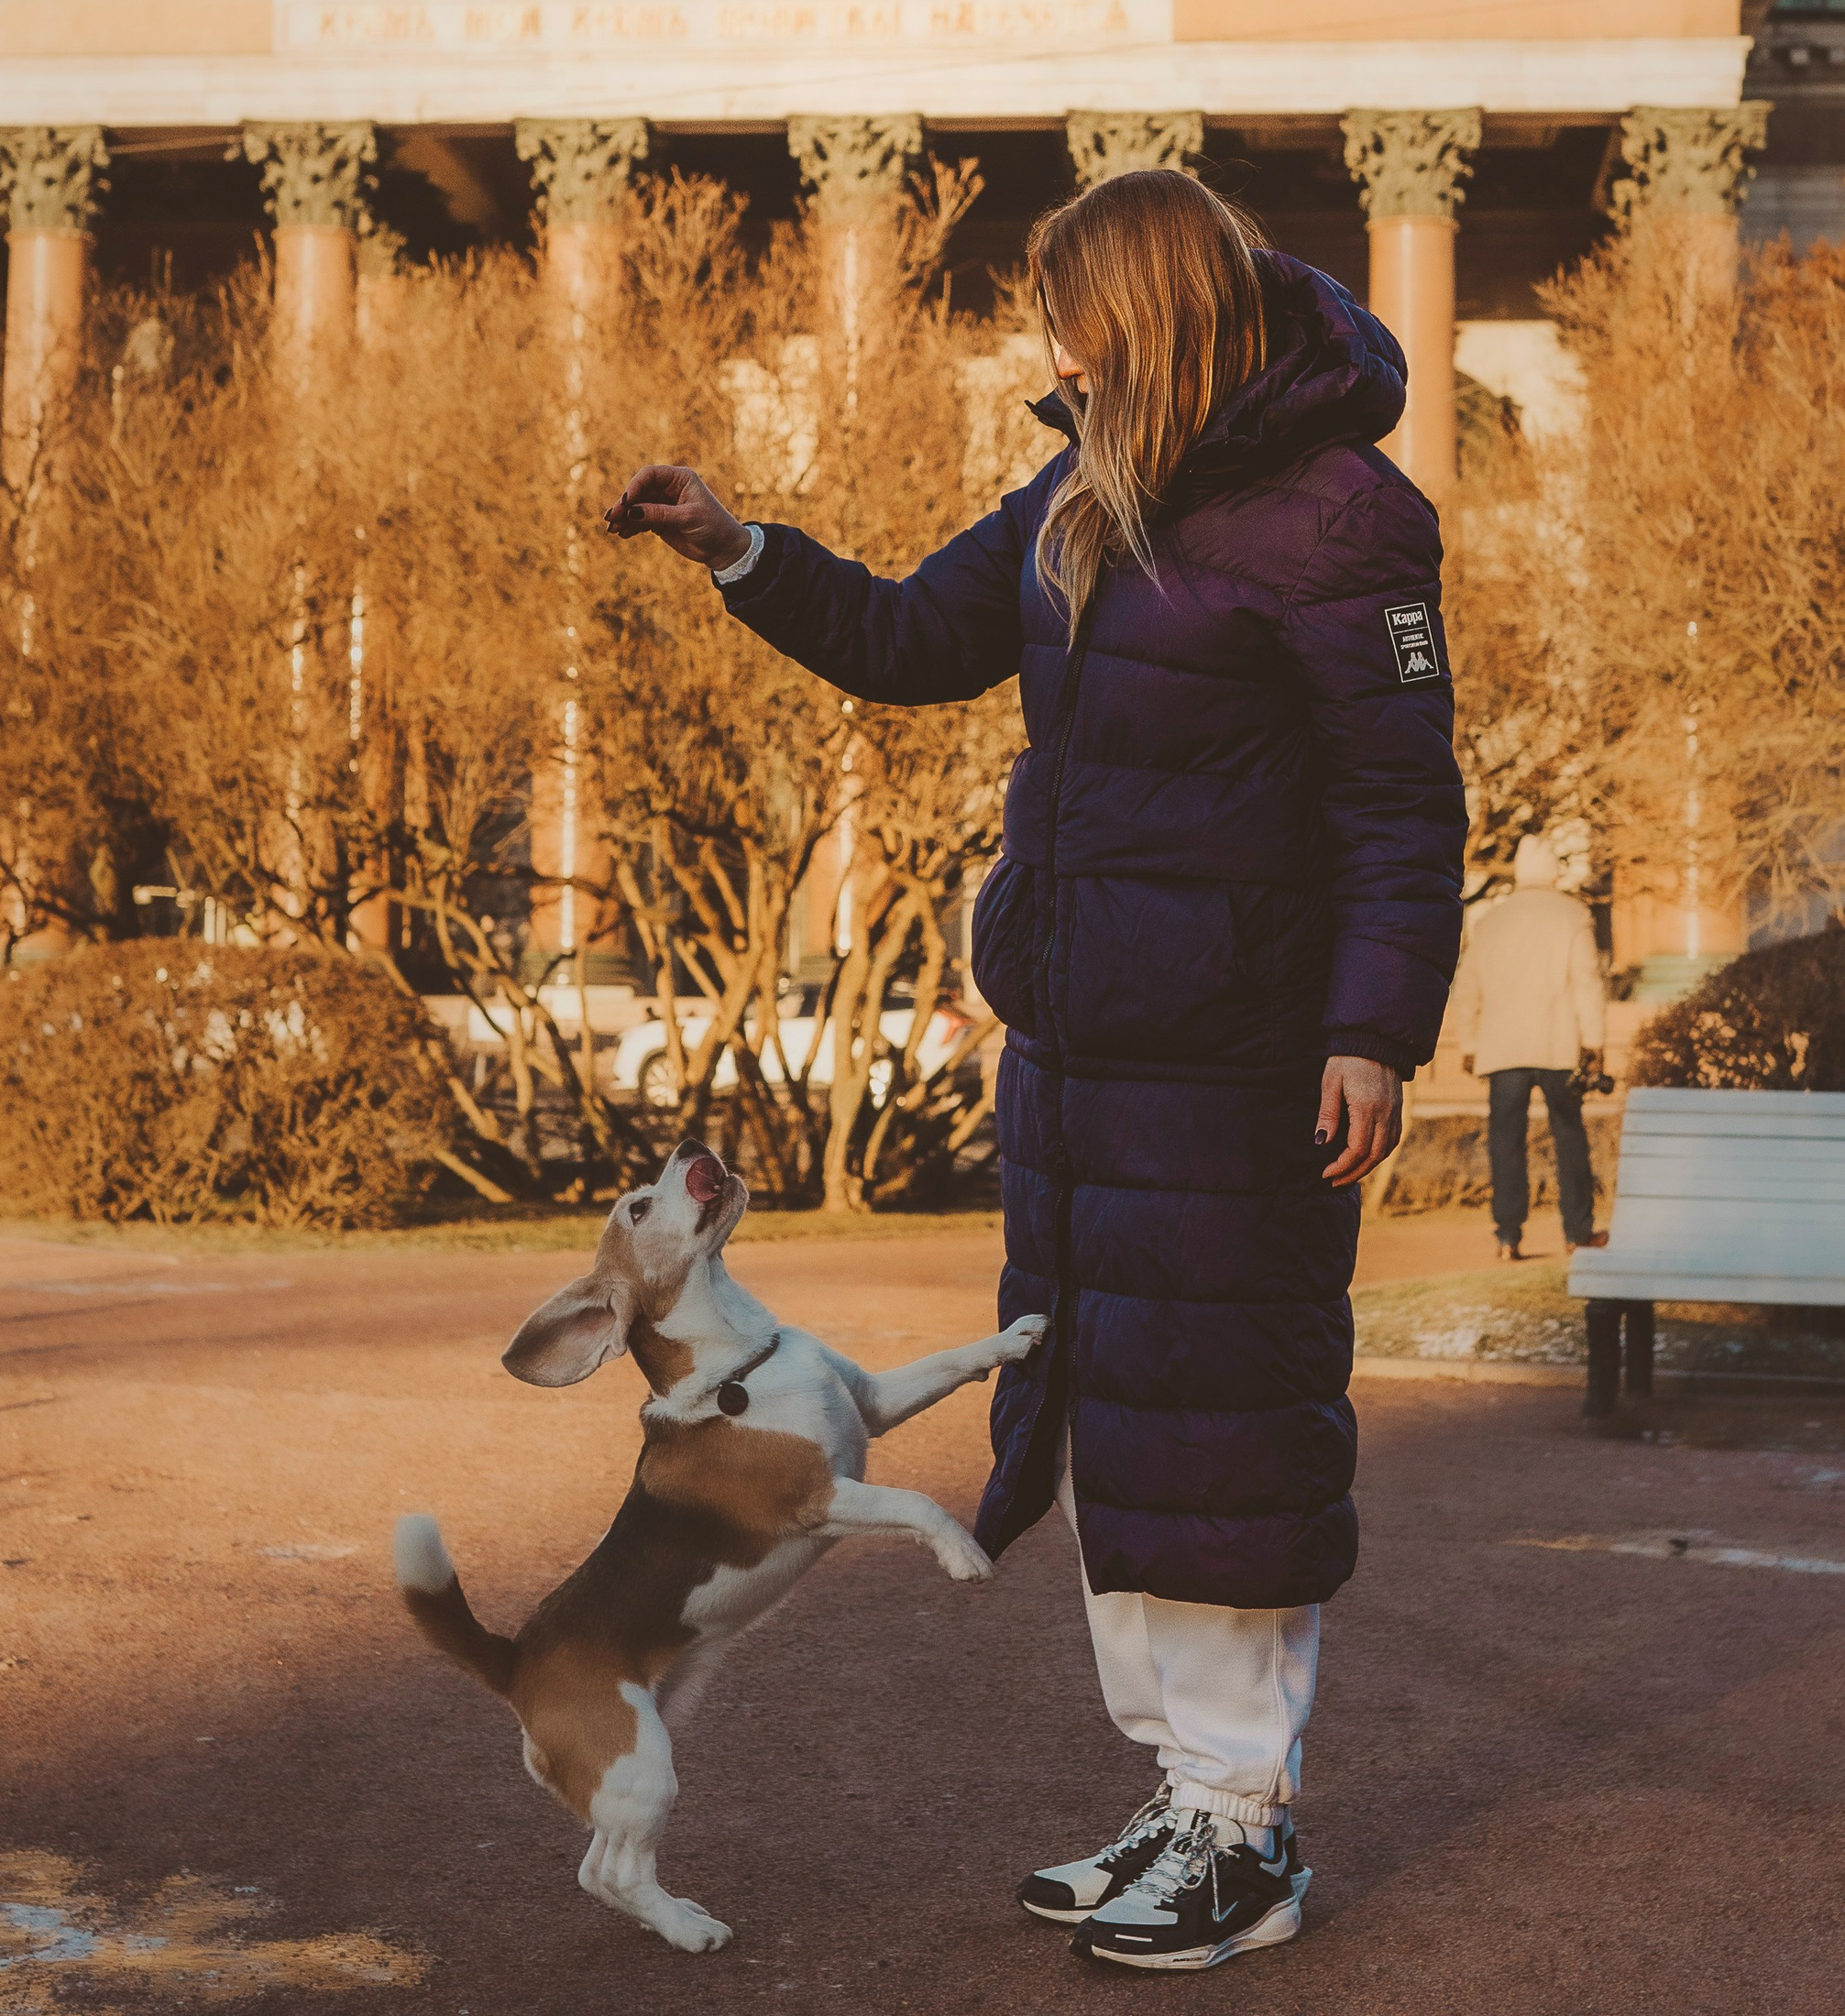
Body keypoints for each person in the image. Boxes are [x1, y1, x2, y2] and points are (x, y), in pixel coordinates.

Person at [608, 171, 1466, 1971]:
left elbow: (1399, 804)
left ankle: (1246, 1829)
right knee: (1119, 1433)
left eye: (1063, 305)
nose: (1043, 338)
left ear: (1143, 306)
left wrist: (1372, 1028)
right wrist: (735, 543)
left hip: (1241, 1068)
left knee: (1222, 1440)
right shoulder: (1085, 486)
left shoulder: (1335, 515)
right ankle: (1185, 1791)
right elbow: (911, 637)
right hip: (1082, 1063)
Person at [1451, 835, 1608, 1261]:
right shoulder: (1572, 915)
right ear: (1553, 871)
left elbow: (1468, 989)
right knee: (1569, 1137)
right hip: (1558, 1046)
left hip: (1502, 1050)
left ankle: (1507, 1235)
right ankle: (1578, 1233)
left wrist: (1468, 1041)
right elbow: (1586, 984)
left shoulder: (1491, 921)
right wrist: (1594, 1041)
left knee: (1505, 1141)